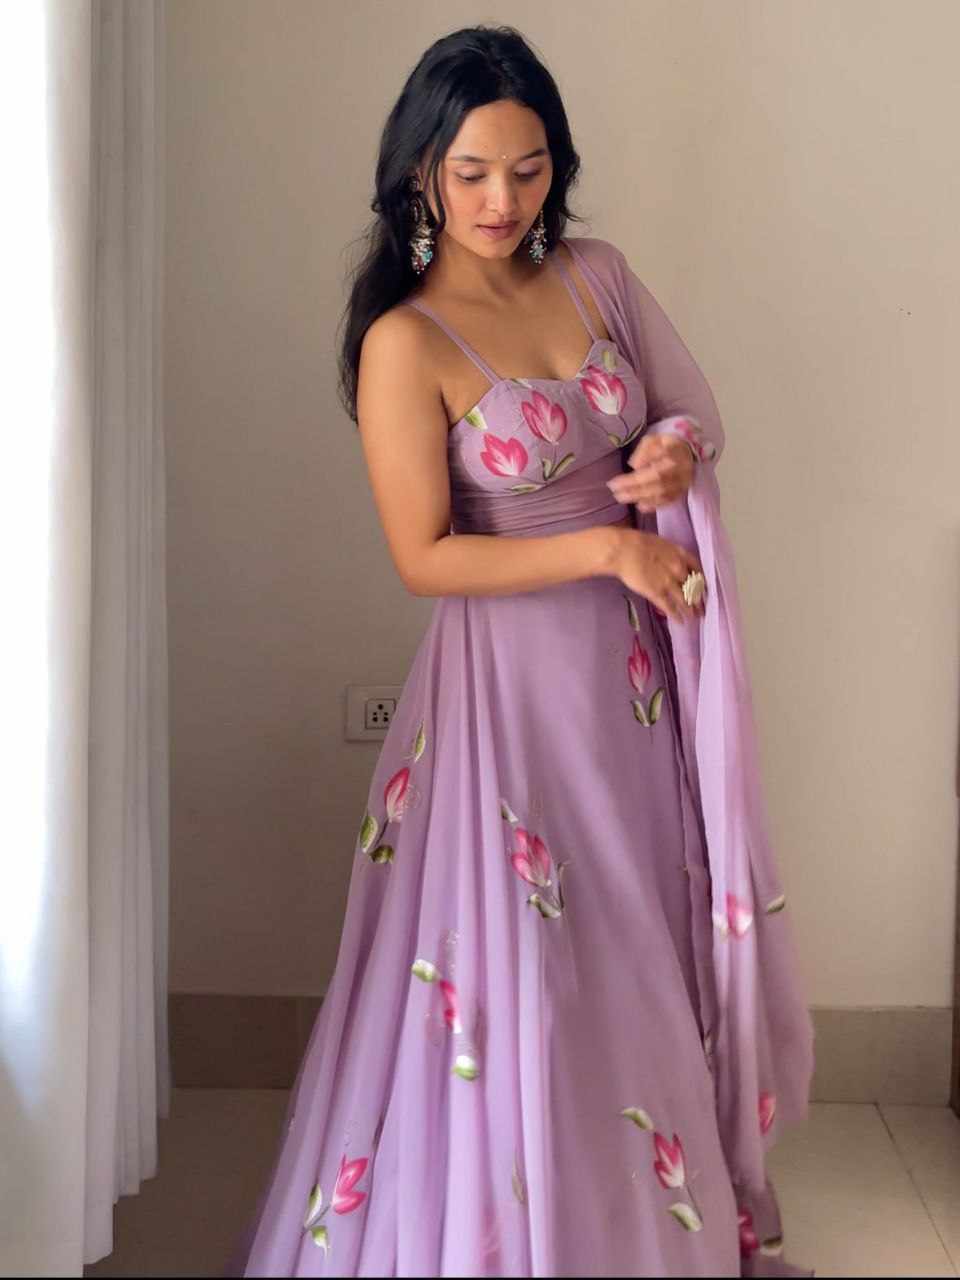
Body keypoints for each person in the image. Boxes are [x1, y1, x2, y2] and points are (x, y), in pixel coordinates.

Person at [226, 23, 814, 1279]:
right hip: (509, 694)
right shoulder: (406, 340)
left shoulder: (596, 277)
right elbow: (425, 555)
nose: (504, 200)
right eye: (474, 172)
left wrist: (671, 461)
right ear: (422, 173)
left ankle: (644, 1234)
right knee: (530, 968)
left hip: (634, 684)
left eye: (530, 169)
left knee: (637, 945)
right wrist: (608, 547)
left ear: (559, 167)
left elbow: (691, 411)